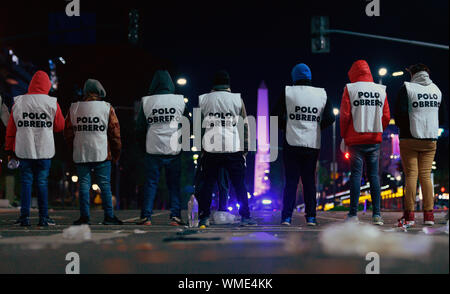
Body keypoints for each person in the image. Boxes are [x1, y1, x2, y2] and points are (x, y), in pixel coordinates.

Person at [272, 63, 335, 226]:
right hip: (312, 143)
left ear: (294, 77)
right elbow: (330, 117)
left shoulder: (288, 92)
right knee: (309, 181)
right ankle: (311, 217)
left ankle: (286, 217)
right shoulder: (321, 93)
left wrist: (285, 127)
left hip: (291, 142)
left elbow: (274, 115)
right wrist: (316, 127)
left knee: (291, 181)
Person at [197, 70, 257, 227]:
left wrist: (201, 147)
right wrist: (245, 148)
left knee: (208, 184)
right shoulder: (237, 99)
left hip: (211, 147)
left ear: (214, 84)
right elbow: (244, 125)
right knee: (239, 184)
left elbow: (199, 126)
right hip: (233, 147)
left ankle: (204, 217)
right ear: (228, 83)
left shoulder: (204, 99)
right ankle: (245, 217)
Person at [5, 71, 65, 226]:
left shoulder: (19, 102)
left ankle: (24, 218)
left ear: (31, 84)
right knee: (42, 183)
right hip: (44, 150)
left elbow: (11, 130)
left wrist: (9, 151)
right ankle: (43, 218)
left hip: (24, 149)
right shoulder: (52, 102)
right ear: (47, 85)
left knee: (26, 183)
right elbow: (60, 126)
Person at [64, 79, 123, 225]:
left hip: (81, 152)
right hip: (101, 151)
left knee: (83, 184)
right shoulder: (106, 107)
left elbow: (68, 133)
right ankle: (109, 216)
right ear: (99, 93)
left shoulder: (74, 108)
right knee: (105, 185)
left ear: (85, 92)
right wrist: (116, 153)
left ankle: (84, 217)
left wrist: (74, 148)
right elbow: (115, 132)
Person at [395, 64, 448, 226]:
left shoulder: (407, 88)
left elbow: (399, 113)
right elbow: (443, 118)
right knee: (425, 176)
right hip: (430, 140)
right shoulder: (436, 90)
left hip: (409, 139)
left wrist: (407, 128)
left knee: (411, 175)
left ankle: (409, 216)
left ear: (413, 74)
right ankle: (429, 215)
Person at [340, 60, 390, 225]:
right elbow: (386, 116)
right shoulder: (380, 90)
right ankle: (377, 215)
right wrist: (377, 130)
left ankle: (353, 215)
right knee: (374, 176)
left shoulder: (350, 89)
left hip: (355, 140)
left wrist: (344, 136)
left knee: (356, 175)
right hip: (374, 140)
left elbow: (345, 116)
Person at [135, 70, 189, 226]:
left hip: (153, 148)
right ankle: (175, 217)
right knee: (174, 185)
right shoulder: (179, 101)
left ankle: (146, 217)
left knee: (151, 184)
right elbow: (187, 124)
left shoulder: (147, 101)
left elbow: (139, 128)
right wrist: (183, 145)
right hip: (174, 149)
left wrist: (142, 147)